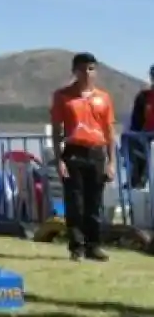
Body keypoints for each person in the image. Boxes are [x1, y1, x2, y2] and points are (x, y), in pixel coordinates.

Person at [50, 52, 115, 262]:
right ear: (74, 71)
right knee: (75, 203)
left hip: (96, 153)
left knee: (94, 204)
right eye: (82, 69)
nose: (87, 73)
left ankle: (93, 246)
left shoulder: (104, 97)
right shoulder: (63, 96)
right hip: (73, 152)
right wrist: (59, 159)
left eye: (91, 68)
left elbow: (109, 131)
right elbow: (56, 130)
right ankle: (76, 247)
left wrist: (111, 161)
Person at [126, 65, 154, 188]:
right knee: (132, 141)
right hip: (147, 138)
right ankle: (138, 181)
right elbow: (136, 123)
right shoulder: (144, 97)